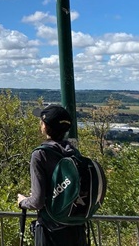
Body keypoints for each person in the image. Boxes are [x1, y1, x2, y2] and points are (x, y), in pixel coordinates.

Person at [17, 104, 88, 246]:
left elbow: (38, 201)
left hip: (51, 231)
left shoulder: (40, 154)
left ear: (44, 126)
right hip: (76, 228)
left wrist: (23, 202)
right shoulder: (74, 152)